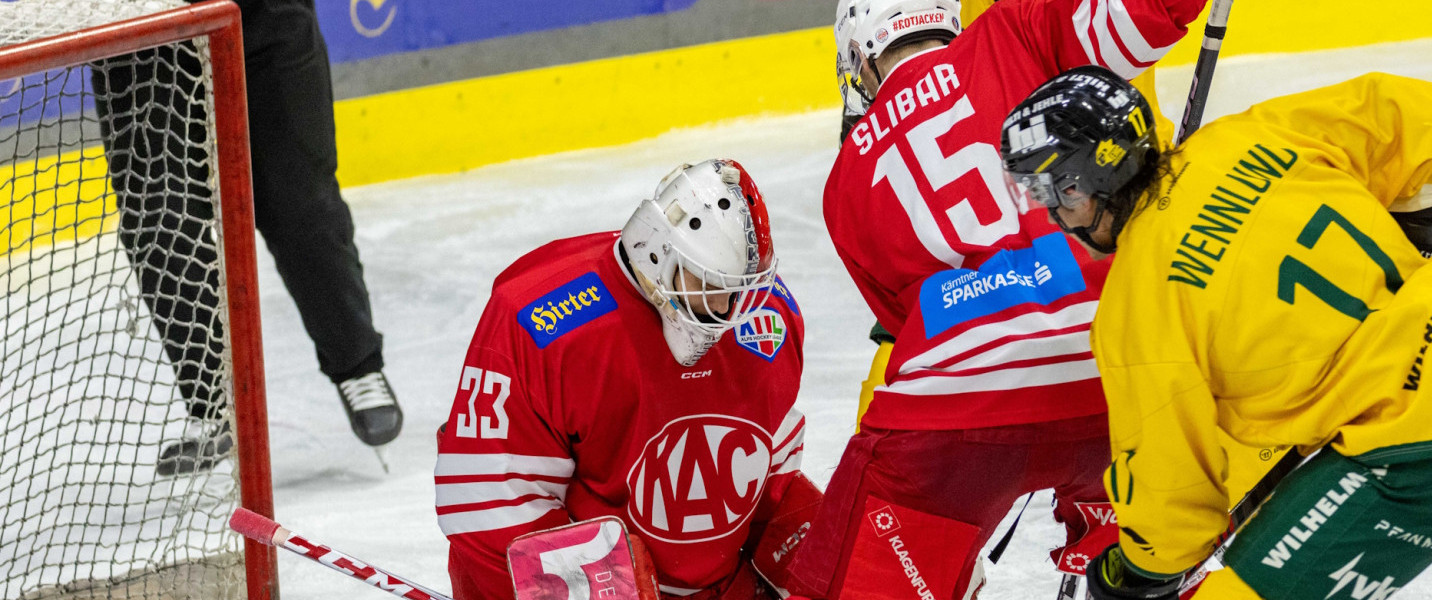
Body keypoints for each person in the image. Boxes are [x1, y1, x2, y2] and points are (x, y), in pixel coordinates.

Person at [998, 69, 1432, 600]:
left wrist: (1136, 571)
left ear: (1094, 179)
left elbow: (1170, 495)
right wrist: (1417, 231)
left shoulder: (1138, 305)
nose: (1053, 216)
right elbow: (1431, 114)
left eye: (1055, 193)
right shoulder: (1254, 134)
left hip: (1421, 452)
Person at [790, 0, 1205, 597]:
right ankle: (1123, 545)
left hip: (961, 403)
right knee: (1154, 569)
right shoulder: (1013, 29)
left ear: (859, 58)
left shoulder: (845, 182)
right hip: (1116, 363)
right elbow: (1143, 17)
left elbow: (907, 324)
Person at [434, 160, 819, 600]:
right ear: (659, 253)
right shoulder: (543, 320)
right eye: (710, 283)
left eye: (737, 288)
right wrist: (591, 587)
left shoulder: (765, 318)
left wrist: (798, 546)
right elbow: (489, 498)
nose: (728, 307)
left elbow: (767, 454)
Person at [91, 0, 399, 476]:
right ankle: (211, 404)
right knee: (160, 219)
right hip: (140, 23)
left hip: (265, 12)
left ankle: (356, 364)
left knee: (303, 204)